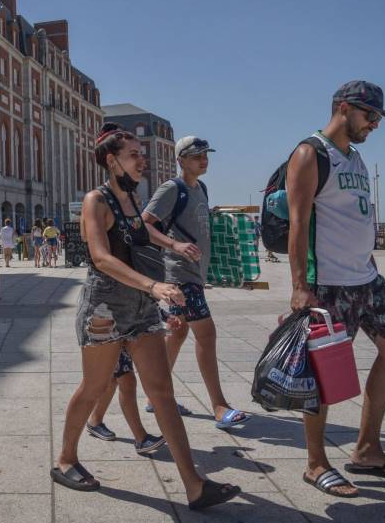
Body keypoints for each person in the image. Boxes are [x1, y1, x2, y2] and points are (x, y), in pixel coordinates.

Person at [52, 123, 240, 510]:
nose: (142, 161)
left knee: (162, 392)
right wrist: (154, 286)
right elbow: (101, 257)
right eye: (134, 154)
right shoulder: (96, 200)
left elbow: (143, 231)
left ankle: (194, 485)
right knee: (93, 387)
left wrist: (174, 244)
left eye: (141, 154)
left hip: (141, 307)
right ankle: (66, 459)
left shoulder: (133, 199)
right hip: (105, 308)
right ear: (111, 160)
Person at [284, 81, 385, 497]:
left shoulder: (355, 158)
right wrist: (300, 286)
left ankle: (367, 449)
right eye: (369, 115)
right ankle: (315, 463)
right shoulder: (310, 153)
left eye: (377, 118)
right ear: (343, 107)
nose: (374, 124)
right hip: (329, 284)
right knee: (323, 374)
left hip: (366, 279)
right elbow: (298, 223)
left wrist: (369, 262)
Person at [142, 135, 249, 429]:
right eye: (196, 156)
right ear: (181, 160)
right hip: (179, 275)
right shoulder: (171, 188)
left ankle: (154, 395)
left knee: (177, 333)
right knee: (207, 333)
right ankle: (219, 406)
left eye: (205, 155)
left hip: (195, 273)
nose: (204, 160)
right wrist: (174, 245)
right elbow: (144, 223)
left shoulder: (201, 188)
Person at [86, 347, 167, 455]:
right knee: (127, 380)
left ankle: (95, 420)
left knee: (112, 377)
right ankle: (141, 438)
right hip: (112, 338)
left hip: (120, 338)